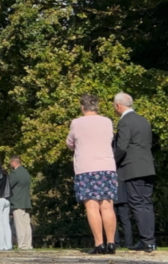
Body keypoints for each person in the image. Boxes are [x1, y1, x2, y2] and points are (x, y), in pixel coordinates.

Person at [66, 94, 118, 255]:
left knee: (92, 207)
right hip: (106, 167)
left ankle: (99, 243)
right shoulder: (107, 121)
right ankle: (111, 243)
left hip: (86, 168)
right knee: (107, 206)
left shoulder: (76, 123)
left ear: (82, 107)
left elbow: (70, 143)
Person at [113, 92, 156, 252]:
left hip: (133, 168)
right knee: (146, 203)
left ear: (118, 105)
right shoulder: (143, 120)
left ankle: (146, 241)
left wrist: (112, 161)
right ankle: (150, 240)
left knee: (138, 204)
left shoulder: (125, 122)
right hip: (147, 166)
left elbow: (122, 147)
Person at [8, 156, 33, 250]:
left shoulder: (15, 173)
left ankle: (22, 245)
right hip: (26, 201)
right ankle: (28, 244)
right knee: (27, 224)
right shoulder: (26, 172)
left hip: (17, 201)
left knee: (20, 225)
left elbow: (8, 185)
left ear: (13, 162)